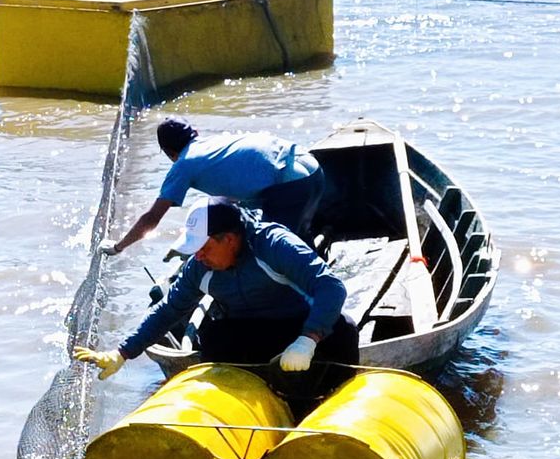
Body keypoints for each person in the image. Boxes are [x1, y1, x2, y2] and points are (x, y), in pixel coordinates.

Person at [74, 197, 358, 395]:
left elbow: (331, 287)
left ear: (230, 239)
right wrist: (122, 353)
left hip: (297, 327)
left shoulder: (273, 245)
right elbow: (169, 310)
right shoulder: (198, 267)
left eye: (205, 247)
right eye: (195, 248)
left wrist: (308, 340)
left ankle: (336, 397)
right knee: (215, 337)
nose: (198, 256)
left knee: (343, 329)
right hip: (249, 333)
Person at [100, 118, 325, 255]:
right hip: (312, 167)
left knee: (273, 250)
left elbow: (152, 218)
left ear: (169, 153)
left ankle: (305, 307)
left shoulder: (183, 164)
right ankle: (317, 281)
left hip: (290, 185)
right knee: (298, 238)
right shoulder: (213, 144)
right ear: (194, 133)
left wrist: (119, 246)